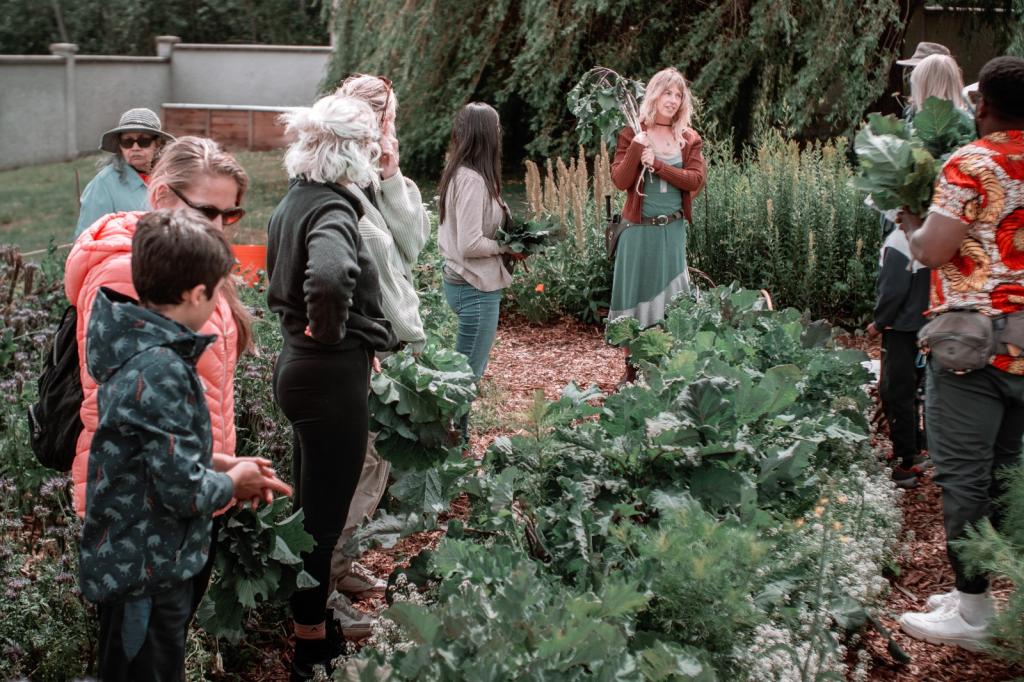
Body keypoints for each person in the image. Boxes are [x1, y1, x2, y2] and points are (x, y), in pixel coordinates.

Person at [79, 209, 290, 681]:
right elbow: (182, 492)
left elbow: (152, 454)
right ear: (197, 294)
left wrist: (222, 462)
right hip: (146, 573)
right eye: (216, 292)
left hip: (133, 562)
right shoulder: (163, 370)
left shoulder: (134, 347)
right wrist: (234, 480)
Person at [65, 136, 265, 619]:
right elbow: (126, 405)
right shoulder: (128, 273)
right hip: (145, 510)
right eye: (208, 211)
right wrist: (211, 474)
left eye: (230, 215)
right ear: (160, 197)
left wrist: (216, 464)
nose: (220, 226)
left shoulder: (188, 263)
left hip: (188, 485)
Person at [266, 93, 397, 680]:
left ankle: (310, 623)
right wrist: (333, 333)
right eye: (369, 148)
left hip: (298, 367)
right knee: (323, 520)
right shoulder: (333, 210)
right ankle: (311, 645)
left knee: (308, 510)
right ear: (352, 153)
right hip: (327, 373)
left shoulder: (295, 200)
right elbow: (329, 273)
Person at [897, 55, 1024, 651]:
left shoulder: (972, 163)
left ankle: (974, 613)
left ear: (983, 106)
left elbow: (932, 249)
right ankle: (983, 590)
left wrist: (910, 222)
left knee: (963, 475)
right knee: (1006, 471)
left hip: (972, 349)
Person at [329, 74, 430, 602]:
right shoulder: (336, 187)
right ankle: (323, 585)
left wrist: (392, 175)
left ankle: (340, 564)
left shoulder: (375, 180)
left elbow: (413, 245)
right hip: (364, 352)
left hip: (392, 347)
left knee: (377, 465)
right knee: (359, 466)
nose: (393, 131)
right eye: (389, 121)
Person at [609, 67, 707, 384]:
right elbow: (620, 180)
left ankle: (665, 368)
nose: (673, 100)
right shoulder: (631, 133)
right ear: (654, 94)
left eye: (678, 95)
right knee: (637, 295)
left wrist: (659, 165)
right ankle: (631, 369)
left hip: (673, 230)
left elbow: (695, 181)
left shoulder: (688, 138)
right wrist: (638, 148)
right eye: (667, 92)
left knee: (672, 301)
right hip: (638, 231)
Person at [437, 102, 520, 439]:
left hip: (469, 285)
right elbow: (470, 243)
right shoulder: (470, 180)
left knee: (467, 367)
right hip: (474, 288)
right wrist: (506, 247)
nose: (500, 134)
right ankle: (450, 440)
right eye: (497, 128)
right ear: (487, 134)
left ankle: (458, 436)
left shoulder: (466, 174)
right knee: (467, 372)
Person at [866, 227, 930, 488]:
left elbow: (892, 291)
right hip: (921, 325)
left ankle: (907, 463)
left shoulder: (898, 241)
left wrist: (879, 323)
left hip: (901, 328)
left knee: (895, 392)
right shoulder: (925, 235)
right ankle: (916, 445)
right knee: (912, 389)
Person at [74, 108, 174, 239]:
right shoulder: (103, 184)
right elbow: (86, 239)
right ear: (120, 146)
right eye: (127, 142)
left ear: (158, 144)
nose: (135, 147)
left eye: (144, 141)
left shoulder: (171, 179)